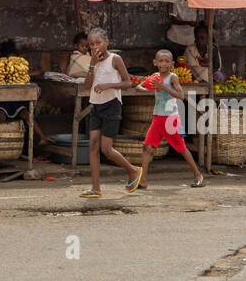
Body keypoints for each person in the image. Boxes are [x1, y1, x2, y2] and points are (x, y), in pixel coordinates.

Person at [79, 27, 143, 197]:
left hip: (112, 105)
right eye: (91, 44)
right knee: (93, 145)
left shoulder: (115, 59)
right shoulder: (93, 61)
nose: (94, 47)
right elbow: (87, 85)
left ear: (107, 42)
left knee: (106, 149)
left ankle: (133, 170)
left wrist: (108, 85)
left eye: (98, 43)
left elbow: (128, 82)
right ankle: (96, 188)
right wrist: (92, 64)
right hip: (96, 105)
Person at [136, 50, 204, 189]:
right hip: (158, 118)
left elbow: (181, 95)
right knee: (146, 147)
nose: (163, 63)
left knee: (181, 148)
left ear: (172, 64)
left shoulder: (173, 77)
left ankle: (198, 175)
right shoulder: (155, 76)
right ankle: (143, 180)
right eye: (160, 61)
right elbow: (139, 87)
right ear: (155, 62)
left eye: (167, 61)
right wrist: (148, 88)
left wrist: (164, 87)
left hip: (171, 119)